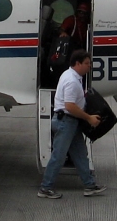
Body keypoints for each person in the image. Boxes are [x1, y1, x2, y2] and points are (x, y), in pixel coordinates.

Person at [38, 49, 107, 199]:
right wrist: (89, 118)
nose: (90, 66)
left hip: (71, 122)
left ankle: (89, 185)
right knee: (59, 156)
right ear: (77, 63)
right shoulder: (71, 81)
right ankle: (46, 187)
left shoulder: (72, 76)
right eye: (87, 63)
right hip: (66, 122)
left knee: (81, 154)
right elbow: (70, 106)